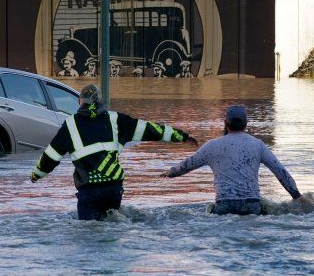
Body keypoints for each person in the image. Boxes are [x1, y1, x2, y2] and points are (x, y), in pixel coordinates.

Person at [31, 84, 198, 220]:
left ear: (79, 102)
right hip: (114, 189)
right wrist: (182, 136)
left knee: (89, 234)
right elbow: (150, 129)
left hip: (89, 191)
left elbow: (51, 156)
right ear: (102, 102)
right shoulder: (115, 119)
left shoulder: (71, 124)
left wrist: (36, 175)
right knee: (114, 224)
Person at [160, 105, 302, 215]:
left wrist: (169, 173)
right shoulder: (257, 145)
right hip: (252, 206)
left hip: (224, 205)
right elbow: (280, 172)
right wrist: (297, 197)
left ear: (225, 123)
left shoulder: (212, 146)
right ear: (246, 124)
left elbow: (185, 166)